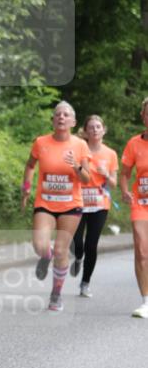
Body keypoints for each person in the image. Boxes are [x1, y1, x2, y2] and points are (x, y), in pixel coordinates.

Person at [21, 101, 91, 312]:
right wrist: (26, 187)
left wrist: (75, 166)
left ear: (73, 121)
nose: (61, 117)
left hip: (71, 205)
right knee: (40, 245)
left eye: (65, 114)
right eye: (57, 114)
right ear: (52, 120)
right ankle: (46, 256)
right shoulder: (41, 142)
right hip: (46, 203)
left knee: (62, 249)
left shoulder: (80, 145)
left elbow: (86, 179)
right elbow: (30, 165)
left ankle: (56, 295)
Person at [70, 115, 118, 297]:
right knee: (77, 242)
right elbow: (72, 172)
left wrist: (107, 174)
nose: (95, 130)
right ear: (85, 131)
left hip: (99, 204)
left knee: (92, 244)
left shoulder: (110, 154)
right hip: (78, 201)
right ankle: (78, 256)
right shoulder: (78, 150)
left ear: (103, 130)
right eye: (91, 127)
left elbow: (113, 184)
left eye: (98, 127)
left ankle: (85, 283)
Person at [119, 97, 148, 320]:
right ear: (143, 116)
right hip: (141, 203)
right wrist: (125, 190)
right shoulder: (134, 144)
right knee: (141, 251)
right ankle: (145, 302)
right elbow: (125, 173)